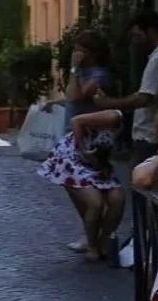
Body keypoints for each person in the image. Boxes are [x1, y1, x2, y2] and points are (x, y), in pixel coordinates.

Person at [39, 107, 125, 263]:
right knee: (95, 203)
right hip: (73, 157)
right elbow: (76, 121)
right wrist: (84, 150)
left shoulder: (141, 131)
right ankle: (91, 246)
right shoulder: (113, 117)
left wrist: (101, 165)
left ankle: (103, 242)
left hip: (97, 161)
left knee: (118, 200)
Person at [95, 10, 158, 165]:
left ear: (150, 31)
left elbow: (144, 98)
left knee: (142, 178)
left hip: (150, 135)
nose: (136, 42)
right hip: (154, 132)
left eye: (138, 35)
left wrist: (108, 103)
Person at [61, 30, 114, 253]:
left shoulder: (99, 75)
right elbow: (70, 97)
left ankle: (95, 236)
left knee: (81, 186)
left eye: (79, 50)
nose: (75, 53)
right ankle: (91, 233)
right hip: (71, 136)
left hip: (86, 140)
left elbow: (76, 96)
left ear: (90, 52)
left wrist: (73, 69)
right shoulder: (83, 73)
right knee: (72, 184)